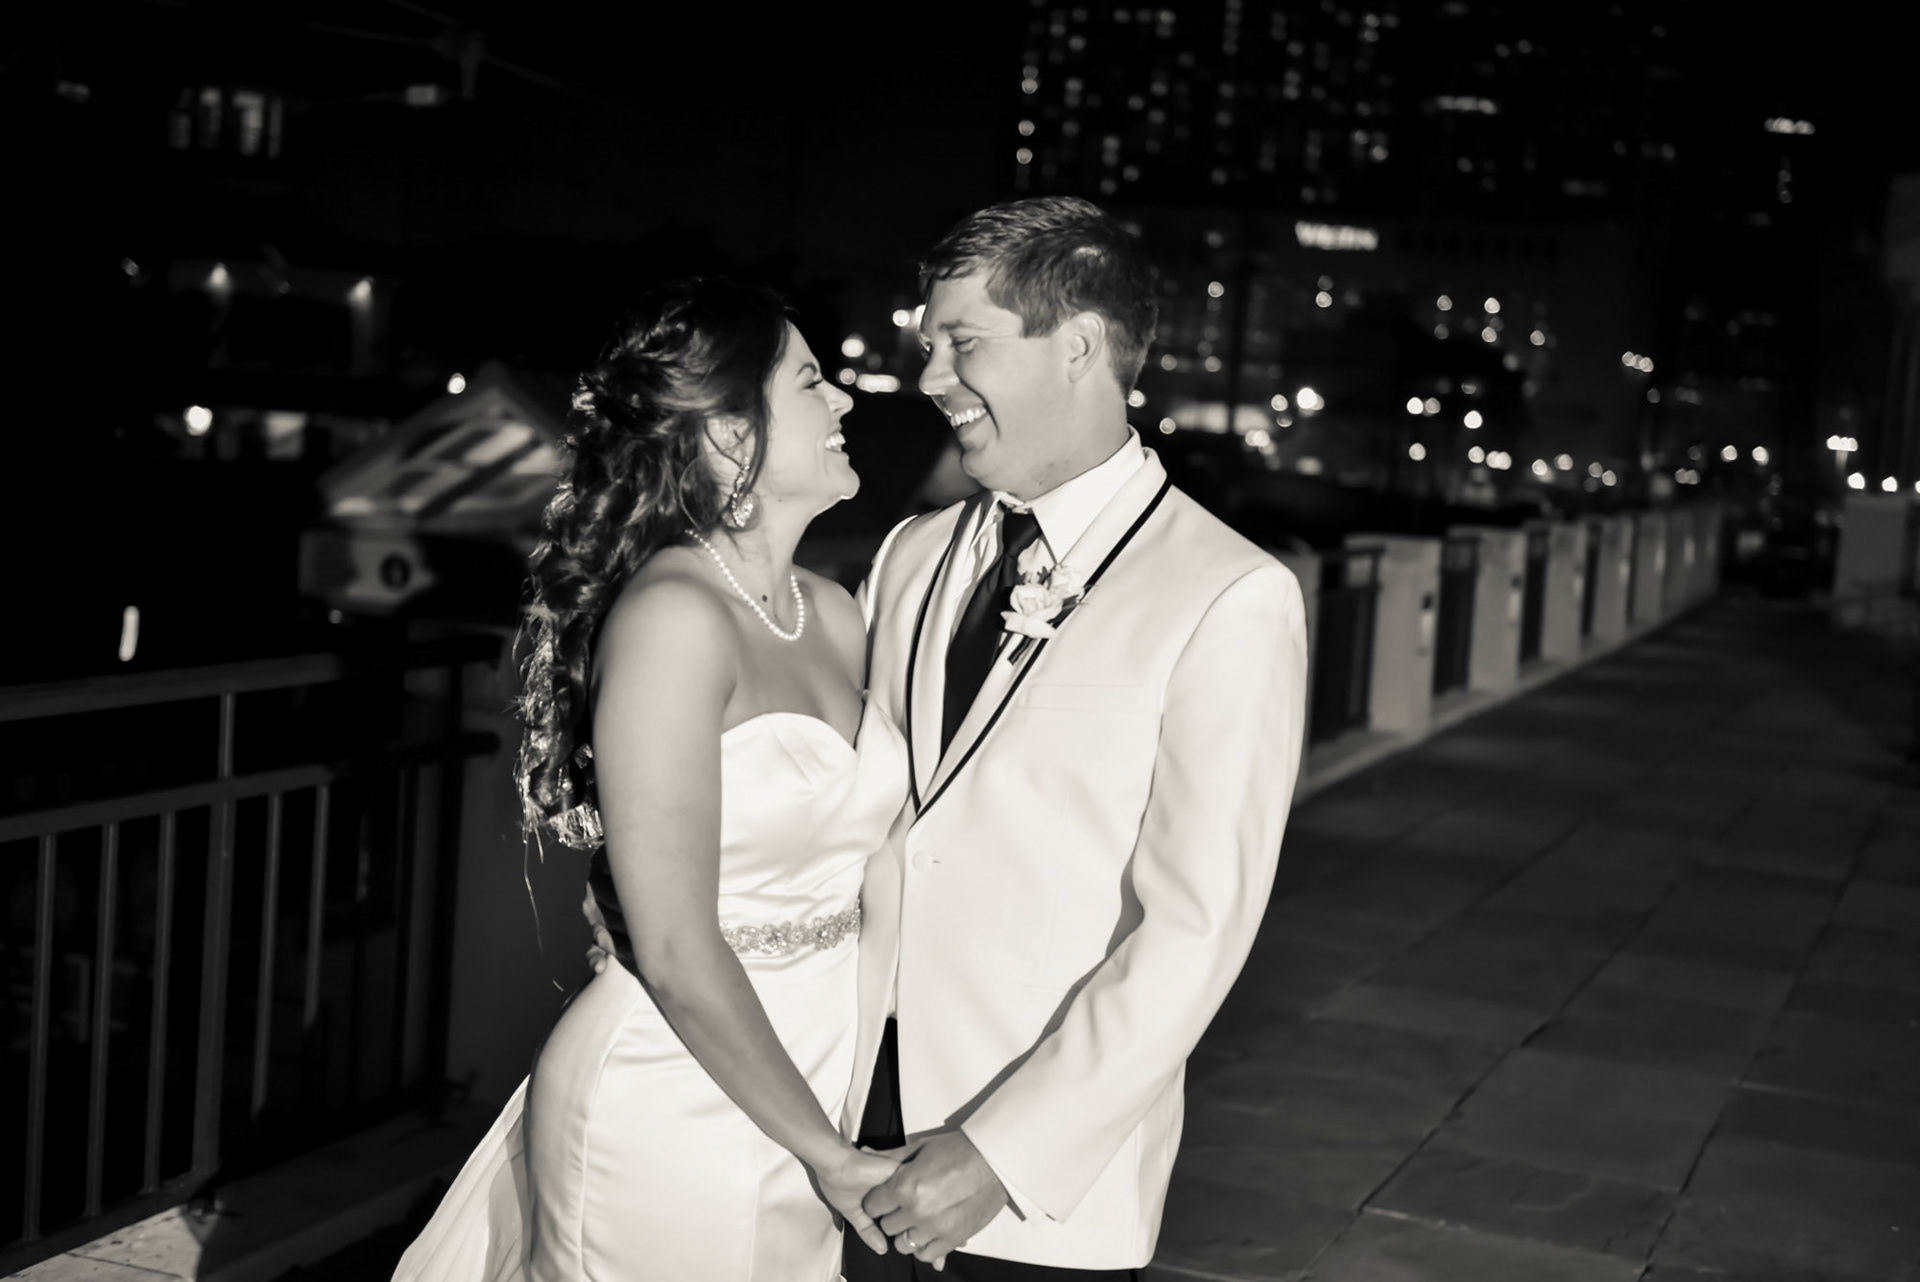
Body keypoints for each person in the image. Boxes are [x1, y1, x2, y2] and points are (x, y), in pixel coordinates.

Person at [391, 277, 907, 1282]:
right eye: (811, 381)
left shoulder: (838, 612)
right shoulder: (675, 618)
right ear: (729, 433)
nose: (844, 398)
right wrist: (832, 1156)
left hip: (814, 1079)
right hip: (673, 1096)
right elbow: (672, 946)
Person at [842, 197, 1309, 1278]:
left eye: (964, 342)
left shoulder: (1227, 591)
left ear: (1080, 345)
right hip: (846, 1132)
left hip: (1033, 1197)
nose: (930, 377)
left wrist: (1002, 1153)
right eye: (929, 344)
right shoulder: (910, 555)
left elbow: (1195, 929)